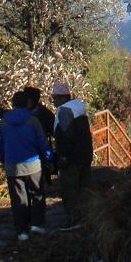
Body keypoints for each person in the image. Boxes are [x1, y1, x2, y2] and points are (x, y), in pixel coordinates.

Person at [0, 89, 51, 241]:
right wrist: (49, 157)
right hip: (33, 165)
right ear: (27, 103)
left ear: (12, 104)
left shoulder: (4, 122)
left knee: (18, 199)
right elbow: (42, 141)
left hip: (13, 166)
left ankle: (22, 231)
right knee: (37, 194)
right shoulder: (33, 120)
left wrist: (3, 159)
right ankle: (37, 224)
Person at [51, 80, 93, 224]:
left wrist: (62, 157)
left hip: (71, 159)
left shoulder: (65, 112)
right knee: (84, 188)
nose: (53, 101)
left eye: (55, 97)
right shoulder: (79, 109)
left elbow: (66, 136)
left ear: (62, 97)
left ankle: (75, 219)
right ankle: (87, 217)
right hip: (84, 155)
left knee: (71, 190)